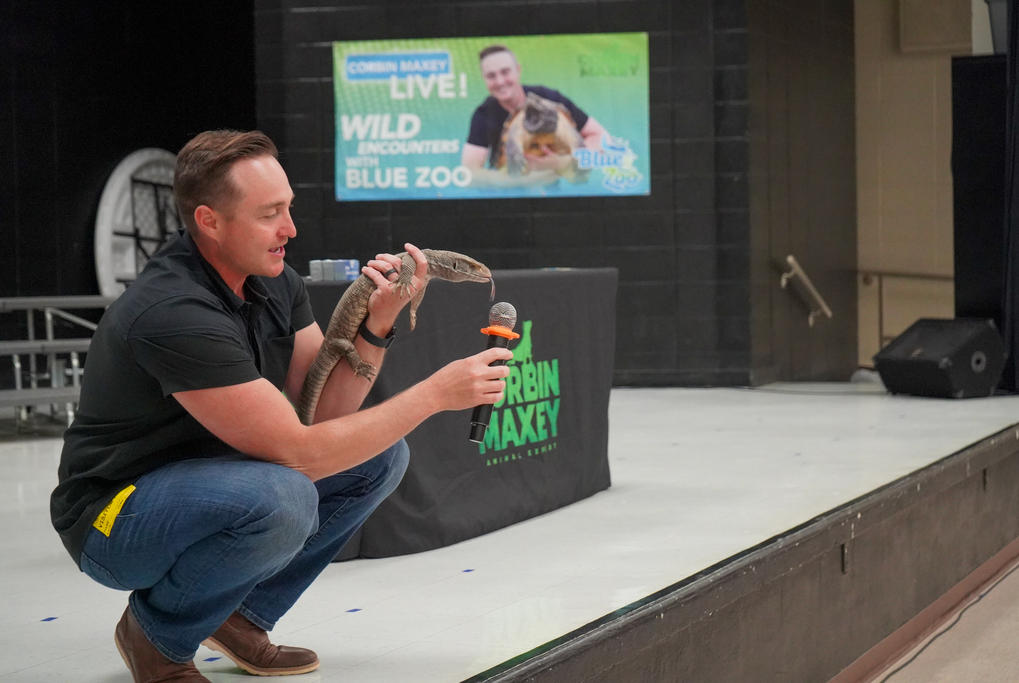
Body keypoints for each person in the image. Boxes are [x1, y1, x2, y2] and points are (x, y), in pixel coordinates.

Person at [50, 130, 512, 683]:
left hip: (215, 479)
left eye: (288, 208)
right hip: (113, 517)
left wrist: (379, 322)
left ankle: (238, 617)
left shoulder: (274, 282)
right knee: (283, 495)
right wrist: (434, 395)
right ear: (209, 221)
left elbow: (325, 411)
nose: (290, 228)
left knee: (380, 457)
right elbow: (300, 454)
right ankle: (155, 637)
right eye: (270, 214)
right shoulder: (172, 311)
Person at [461, 44, 607, 183]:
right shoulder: (484, 114)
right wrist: (524, 182)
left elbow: (603, 138)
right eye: (491, 76)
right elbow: (469, 174)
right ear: (484, 78)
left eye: (505, 72)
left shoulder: (550, 100)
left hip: (556, 189)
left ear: (518, 70)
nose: (499, 81)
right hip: (510, 190)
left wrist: (564, 162)